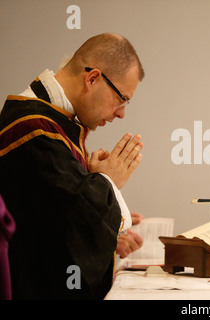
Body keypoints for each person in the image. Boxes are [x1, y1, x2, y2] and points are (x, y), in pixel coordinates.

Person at [0, 33, 145, 299]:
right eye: (122, 98)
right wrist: (108, 184)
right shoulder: (34, 129)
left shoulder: (56, 122)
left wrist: (95, 189)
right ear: (92, 79)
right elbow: (61, 241)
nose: (121, 112)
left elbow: (56, 212)